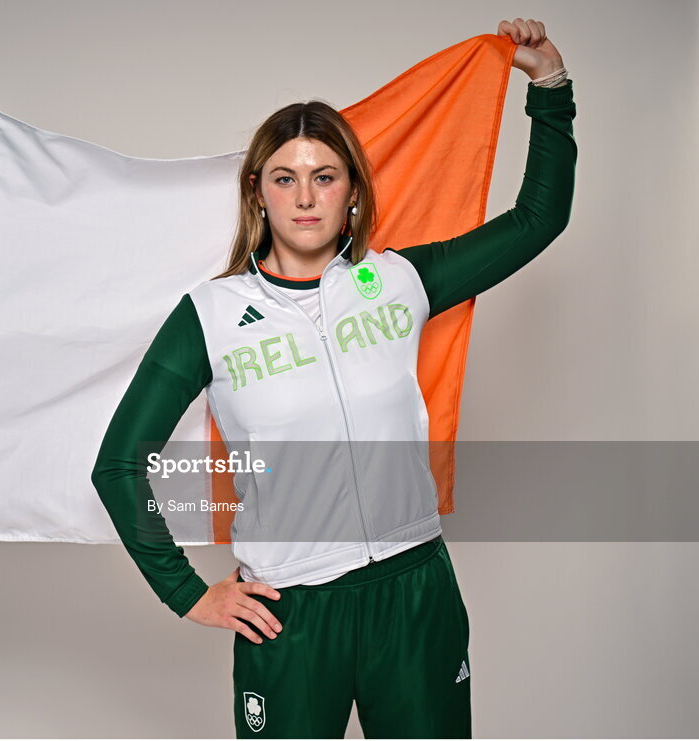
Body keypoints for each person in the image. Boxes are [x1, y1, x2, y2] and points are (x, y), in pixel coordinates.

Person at [91, 17, 575, 739]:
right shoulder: (211, 314)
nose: (306, 196)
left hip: (414, 592)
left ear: (351, 190)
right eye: (285, 178)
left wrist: (550, 87)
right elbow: (119, 463)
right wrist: (186, 592)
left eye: (325, 176)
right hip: (291, 613)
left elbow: (538, 219)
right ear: (259, 193)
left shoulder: (399, 281)